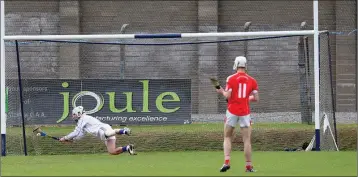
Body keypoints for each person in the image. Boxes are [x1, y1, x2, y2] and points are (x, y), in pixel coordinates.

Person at [215, 56, 259, 172]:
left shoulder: (231, 78)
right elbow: (256, 98)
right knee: (247, 140)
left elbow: (227, 96)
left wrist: (221, 91)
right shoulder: (252, 80)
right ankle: (249, 166)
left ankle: (227, 162)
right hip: (245, 112)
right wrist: (245, 99)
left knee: (227, 136)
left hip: (232, 111)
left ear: (235, 65)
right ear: (246, 66)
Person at [59, 106, 136, 155]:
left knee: (108, 133)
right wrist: (73, 140)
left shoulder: (83, 118)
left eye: (74, 114)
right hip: (103, 134)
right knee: (112, 151)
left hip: (103, 129)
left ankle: (124, 130)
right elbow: (81, 134)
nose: (73, 116)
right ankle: (128, 148)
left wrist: (65, 138)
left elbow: (76, 132)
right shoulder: (81, 122)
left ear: (79, 113)